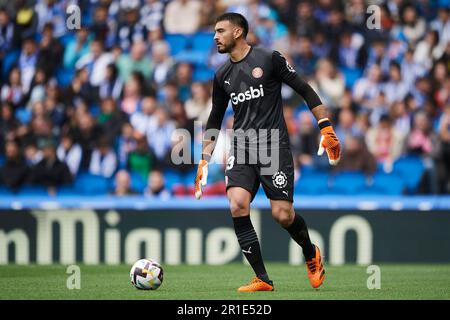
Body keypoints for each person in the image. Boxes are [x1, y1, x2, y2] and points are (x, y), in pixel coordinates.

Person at [194, 13, 341, 292]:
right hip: (242, 147)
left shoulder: (269, 58)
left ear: (238, 32)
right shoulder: (221, 75)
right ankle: (262, 278)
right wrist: (204, 158)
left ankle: (310, 253)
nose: (215, 36)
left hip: (273, 147)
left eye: (220, 31)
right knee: (237, 204)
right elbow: (214, 119)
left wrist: (326, 128)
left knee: (283, 215)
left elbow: (305, 89)